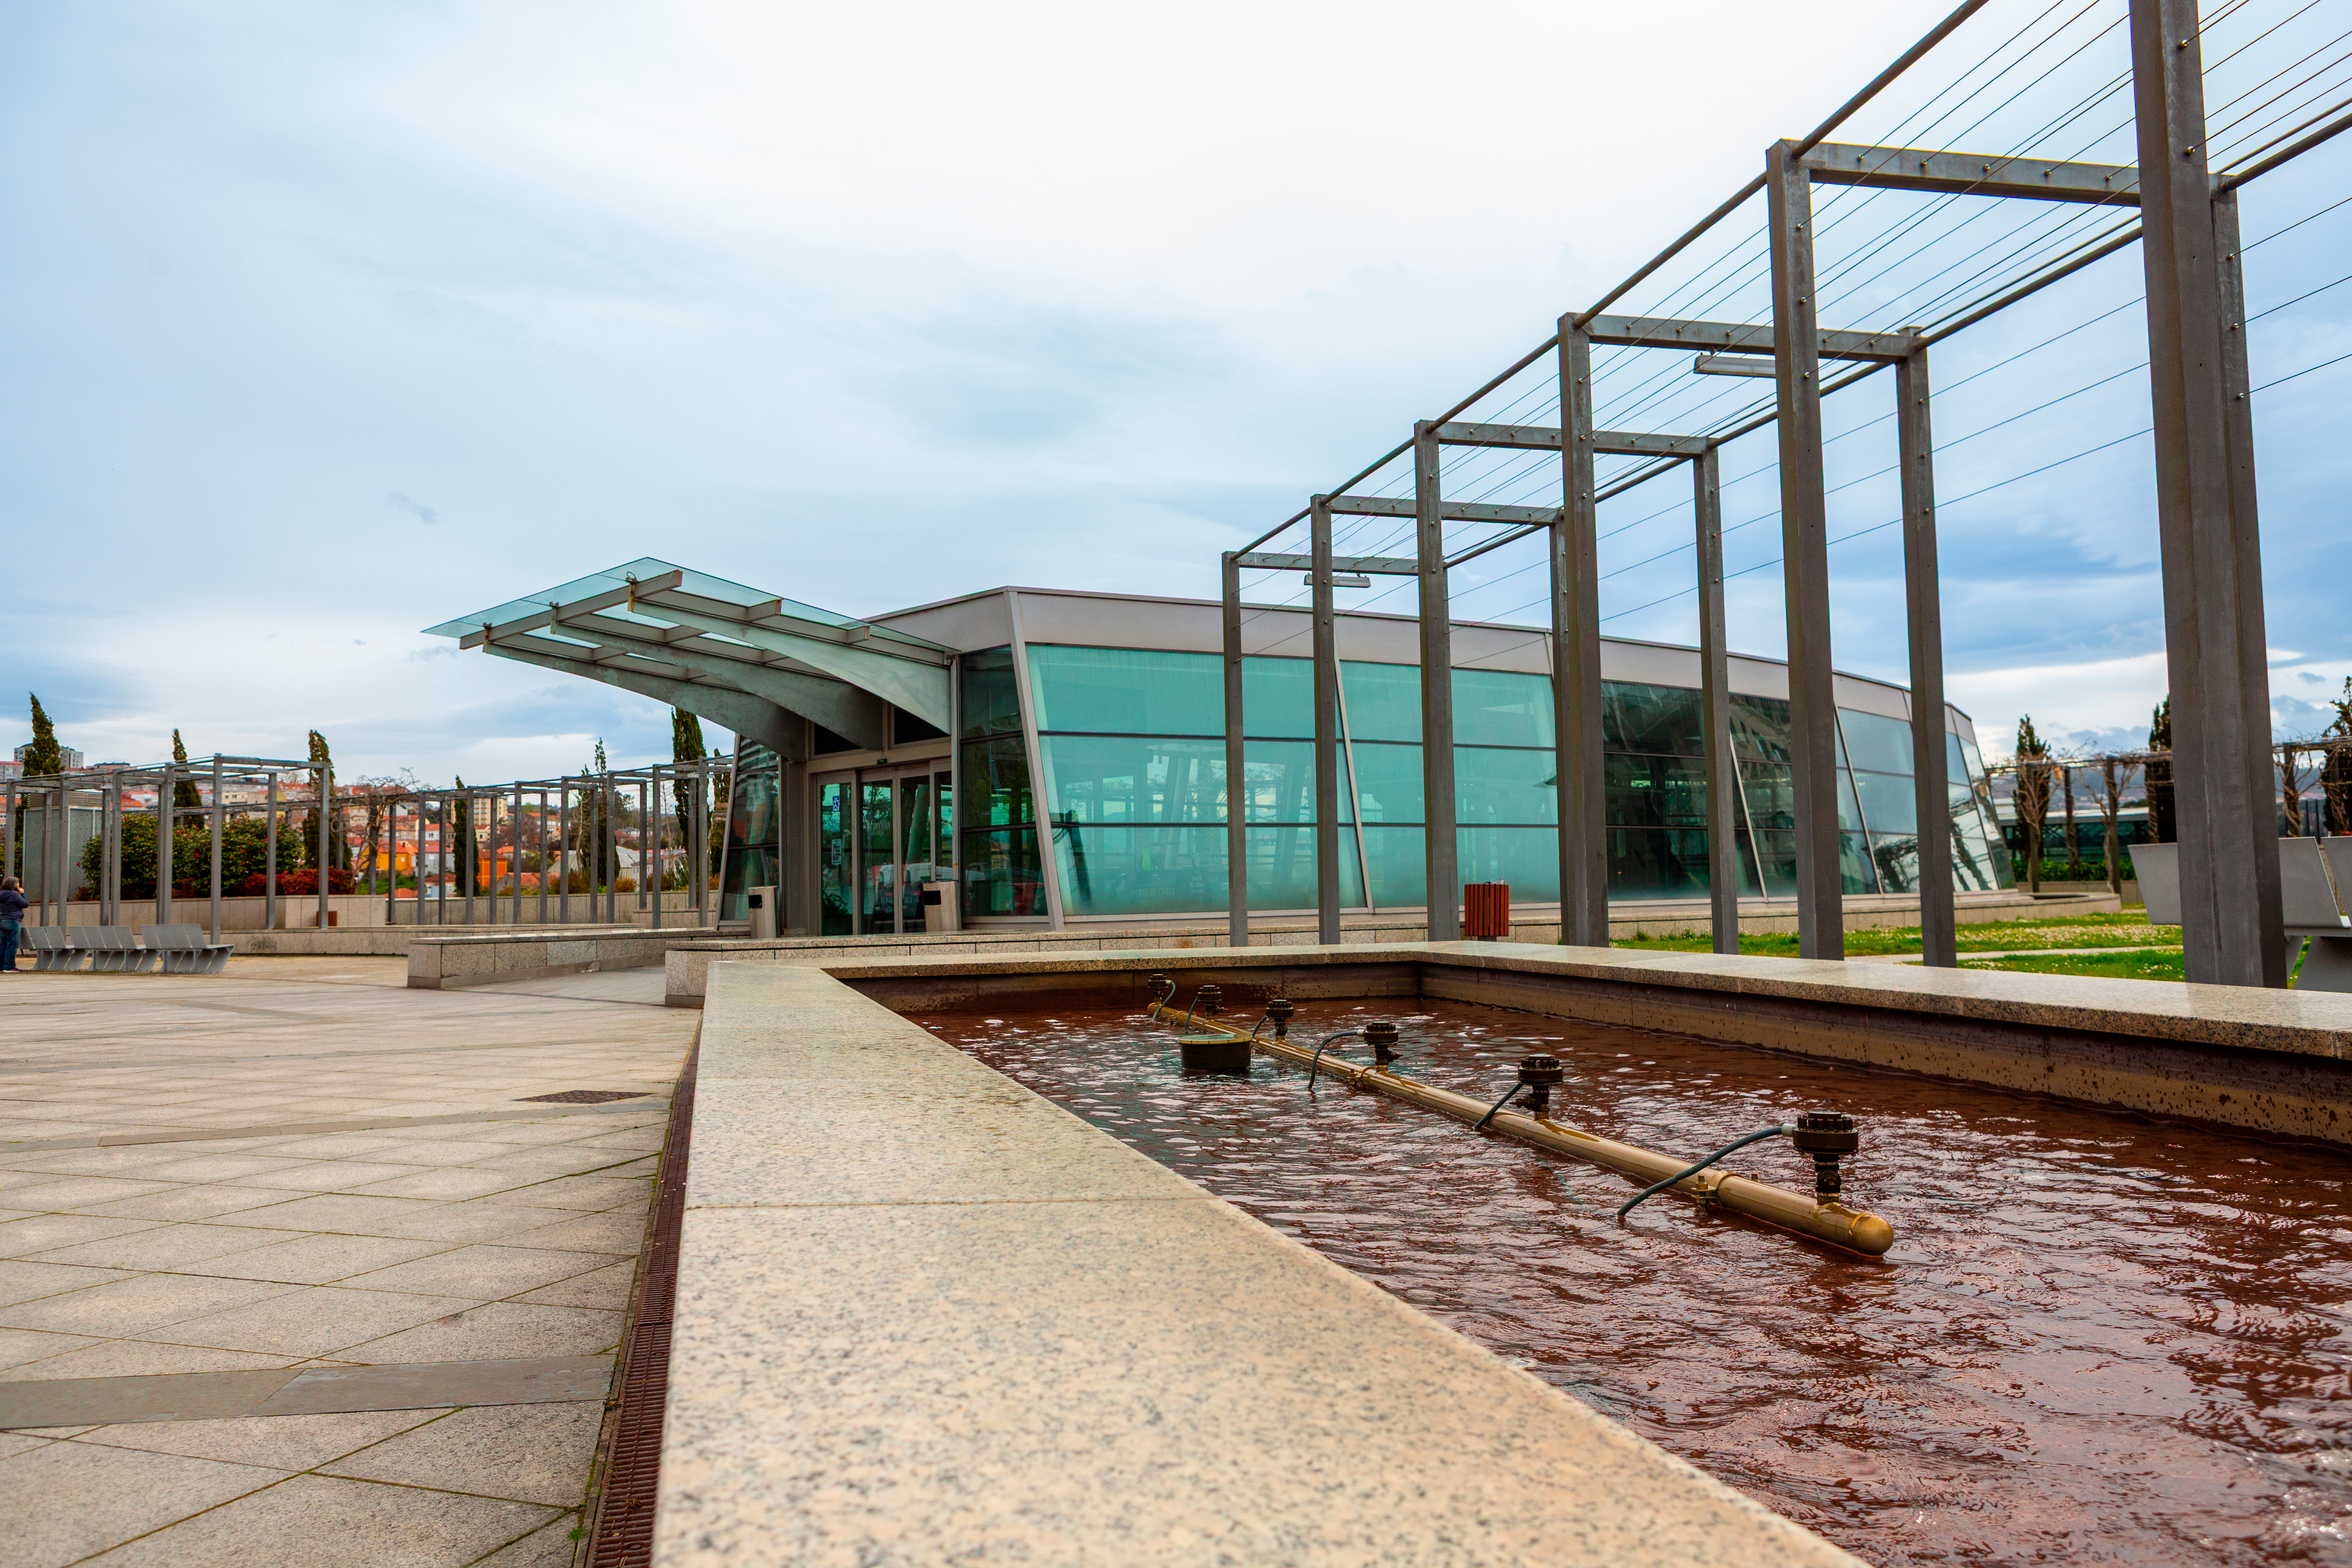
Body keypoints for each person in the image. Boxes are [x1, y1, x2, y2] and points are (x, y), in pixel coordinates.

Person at [0, 876, 25, 973]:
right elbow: (25, 904)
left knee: (3, 944)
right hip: (13, 921)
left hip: (3, 920)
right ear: (14, 885)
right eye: (18, 884)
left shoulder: (2, 894)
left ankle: (2, 966)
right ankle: (10, 967)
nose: (19, 886)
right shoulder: (14, 895)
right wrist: (23, 894)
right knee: (12, 945)